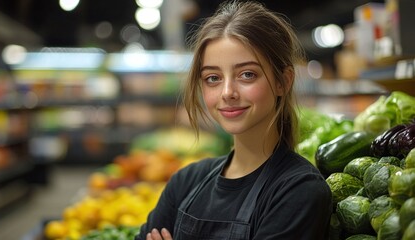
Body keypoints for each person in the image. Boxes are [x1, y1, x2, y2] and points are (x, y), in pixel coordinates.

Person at [135, 1, 333, 239]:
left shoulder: (298, 190)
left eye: (247, 74)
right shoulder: (186, 181)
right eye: (213, 78)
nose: (227, 92)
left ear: (283, 81)